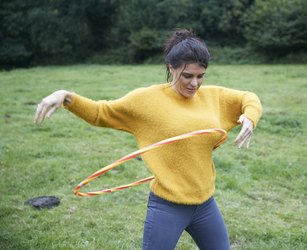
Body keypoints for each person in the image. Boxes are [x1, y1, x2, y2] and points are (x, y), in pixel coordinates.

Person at [34, 29, 262, 250]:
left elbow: (248, 97)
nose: (195, 83)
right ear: (171, 68)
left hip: (205, 204)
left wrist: (250, 117)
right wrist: (65, 96)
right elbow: (100, 113)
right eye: (187, 76)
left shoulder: (212, 96)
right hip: (167, 206)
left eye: (200, 76)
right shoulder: (146, 101)